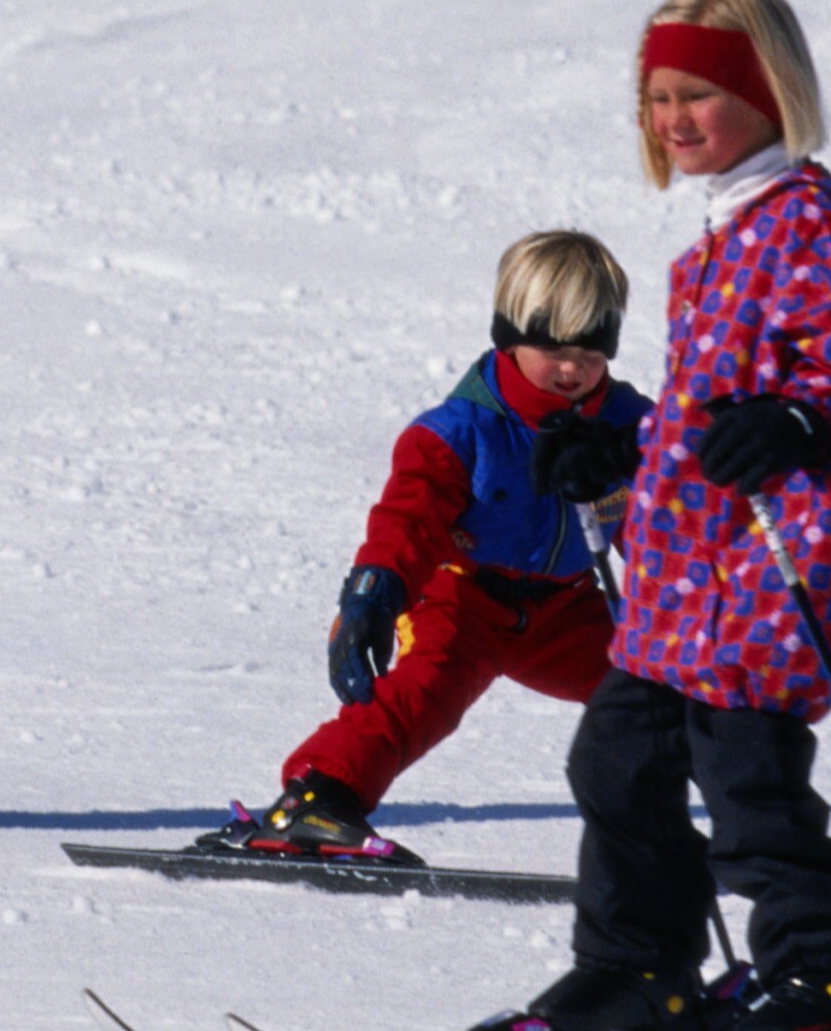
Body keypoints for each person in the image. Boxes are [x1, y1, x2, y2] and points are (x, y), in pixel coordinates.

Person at [481, 0, 831, 1031]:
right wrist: (621, 453)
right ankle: (642, 968)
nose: (673, 120)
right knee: (617, 760)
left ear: (767, 92)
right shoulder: (715, 247)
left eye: (698, 94)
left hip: (788, 556)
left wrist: (802, 420)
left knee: (745, 782)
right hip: (686, 572)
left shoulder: (813, 228)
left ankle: (829, 983)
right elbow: (707, 419)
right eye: (656, 99)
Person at [198, 232, 653, 864]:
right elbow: (406, 522)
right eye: (554, 349)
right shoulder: (461, 433)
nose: (573, 369)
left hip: (568, 611)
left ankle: (746, 818)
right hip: (463, 597)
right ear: (510, 334)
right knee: (421, 693)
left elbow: (674, 531)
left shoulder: (630, 427)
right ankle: (316, 799)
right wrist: (373, 596)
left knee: (665, 682)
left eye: (591, 352)